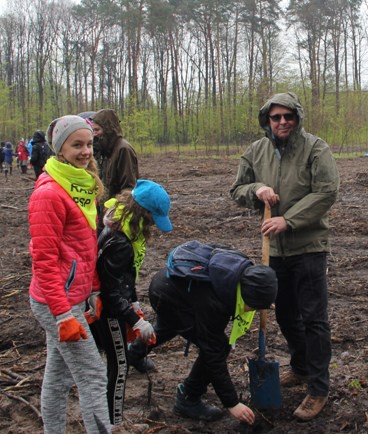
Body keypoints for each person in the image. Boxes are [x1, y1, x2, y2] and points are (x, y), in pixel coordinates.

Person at [229, 92, 340, 421]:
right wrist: (256, 190)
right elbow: (237, 189)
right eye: (275, 117)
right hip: (273, 251)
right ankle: (301, 366)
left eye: (287, 116)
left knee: (314, 319)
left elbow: (326, 191)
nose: (282, 122)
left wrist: (288, 220)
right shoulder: (256, 151)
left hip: (308, 247)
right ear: (267, 120)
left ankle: (318, 388)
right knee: (285, 314)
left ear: (297, 118)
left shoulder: (315, 148)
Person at [127, 251, 277, 425]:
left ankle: (134, 353)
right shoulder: (214, 303)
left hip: (171, 284)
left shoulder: (238, 272)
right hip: (168, 295)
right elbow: (212, 352)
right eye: (253, 307)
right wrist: (232, 402)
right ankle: (188, 397)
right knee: (219, 347)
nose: (252, 311)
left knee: (170, 325)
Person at [29, 115, 111, 433]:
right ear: (60, 148)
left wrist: (93, 289)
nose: (86, 151)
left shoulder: (81, 184)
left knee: (59, 375)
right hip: (56, 302)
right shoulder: (49, 194)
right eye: (77, 145)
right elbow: (44, 260)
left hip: (73, 297)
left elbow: (84, 246)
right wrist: (63, 314)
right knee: (92, 374)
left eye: (89, 144)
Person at [90, 179, 172, 425]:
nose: (152, 226)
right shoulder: (122, 245)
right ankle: (113, 424)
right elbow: (111, 293)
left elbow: (124, 280)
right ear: (143, 213)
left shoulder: (116, 225)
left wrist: (134, 303)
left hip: (108, 306)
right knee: (119, 366)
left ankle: (104, 421)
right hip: (107, 313)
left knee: (101, 366)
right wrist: (135, 321)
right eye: (152, 219)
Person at [90, 109, 138, 230]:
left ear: (108, 129)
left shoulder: (123, 149)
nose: (94, 134)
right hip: (105, 213)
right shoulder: (106, 150)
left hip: (116, 217)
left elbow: (129, 188)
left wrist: (115, 215)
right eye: (93, 130)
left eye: (97, 130)